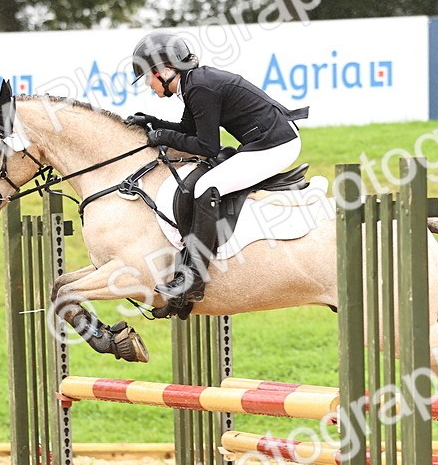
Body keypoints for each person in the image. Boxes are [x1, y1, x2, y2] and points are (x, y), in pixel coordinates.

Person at [125, 29, 308, 310]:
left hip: (276, 144)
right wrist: (154, 123)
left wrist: (162, 137)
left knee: (207, 186)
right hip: (267, 139)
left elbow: (207, 146)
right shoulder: (193, 83)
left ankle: (193, 279)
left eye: (148, 76)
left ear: (164, 70)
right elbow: (188, 130)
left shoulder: (199, 87)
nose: (148, 84)